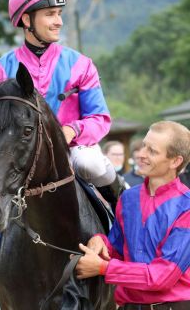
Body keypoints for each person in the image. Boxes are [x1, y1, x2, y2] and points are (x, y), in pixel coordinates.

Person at [0, 0, 124, 201]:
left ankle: (122, 206)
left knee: (90, 163)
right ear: (27, 19)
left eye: (59, 14)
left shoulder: (82, 65)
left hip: (72, 152)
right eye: (50, 14)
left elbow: (100, 118)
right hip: (19, 158)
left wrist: (72, 130)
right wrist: (10, 142)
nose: (59, 21)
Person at [75, 120, 190, 310]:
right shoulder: (128, 197)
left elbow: (163, 276)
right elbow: (117, 249)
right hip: (129, 306)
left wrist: (104, 268)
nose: (141, 154)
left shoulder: (186, 207)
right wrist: (100, 241)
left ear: (175, 161)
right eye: (144, 145)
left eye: (152, 151)